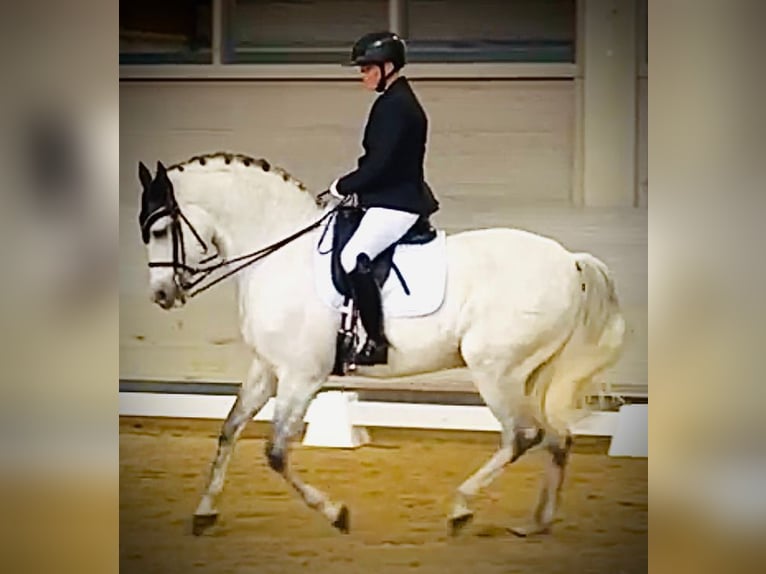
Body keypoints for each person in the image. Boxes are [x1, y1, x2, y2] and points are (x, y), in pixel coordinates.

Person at [328, 31, 440, 366]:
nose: (363, 76)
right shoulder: (395, 101)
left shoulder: (396, 106)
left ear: (387, 66)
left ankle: (376, 341)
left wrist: (343, 186)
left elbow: (381, 163)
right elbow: (375, 160)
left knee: (352, 257)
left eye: (367, 69)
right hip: (386, 196)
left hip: (398, 201)